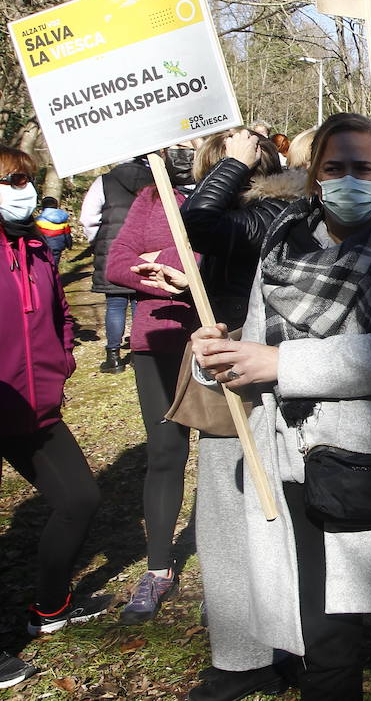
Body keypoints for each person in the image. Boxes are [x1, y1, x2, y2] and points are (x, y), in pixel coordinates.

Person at [191, 112, 371, 701]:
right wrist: (215, 354)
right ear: (315, 176)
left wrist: (282, 364)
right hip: (300, 468)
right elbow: (252, 350)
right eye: (334, 167)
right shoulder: (279, 246)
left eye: (362, 167)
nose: (349, 179)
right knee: (327, 647)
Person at [137, 128, 305, 700]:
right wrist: (193, 287)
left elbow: (200, 222)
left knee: (242, 517)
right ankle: (257, 648)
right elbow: (240, 279)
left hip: (255, 379)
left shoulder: (273, 207)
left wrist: (231, 161)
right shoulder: (267, 216)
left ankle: (257, 654)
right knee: (233, 517)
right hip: (239, 368)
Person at [0, 147, 106, 662]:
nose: (20, 190)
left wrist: (63, 359)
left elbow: (61, 314)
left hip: (38, 412)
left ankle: (49, 607)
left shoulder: (40, 251)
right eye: (8, 181)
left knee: (80, 499)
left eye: (24, 180)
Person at [104, 153, 201, 624]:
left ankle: (237, 566)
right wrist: (175, 275)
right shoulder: (150, 197)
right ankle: (159, 568)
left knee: (231, 458)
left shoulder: (239, 196)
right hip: (155, 341)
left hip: (219, 339)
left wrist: (159, 262)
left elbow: (216, 261)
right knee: (165, 454)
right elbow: (116, 263)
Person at [82, 156, 154, 373]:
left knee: (115, 303)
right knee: (140, 303)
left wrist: (96, 241)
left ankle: (113, 357)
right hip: (145, 248)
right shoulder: (155, 178)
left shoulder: (104, 181)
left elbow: (88, 218)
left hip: (112, 247)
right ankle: (138, 354)